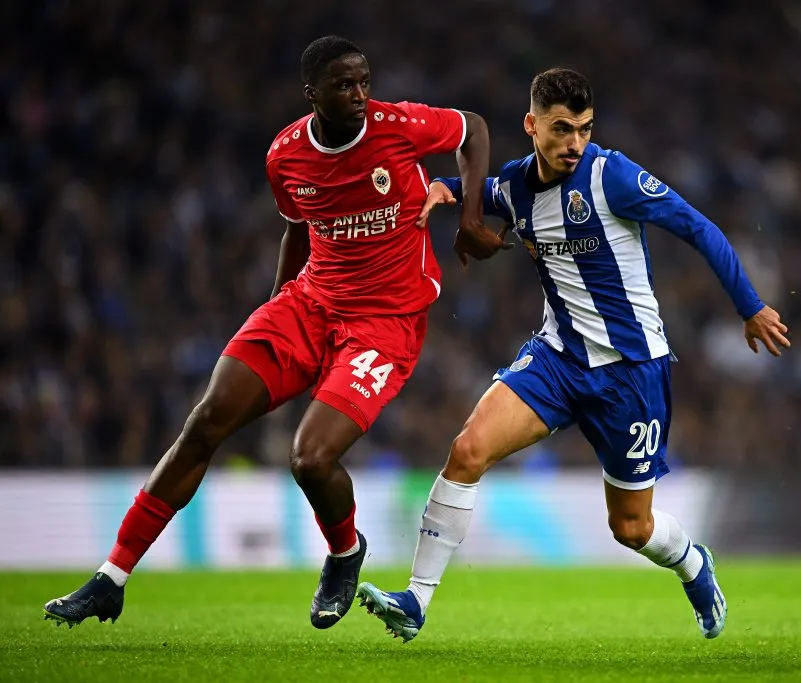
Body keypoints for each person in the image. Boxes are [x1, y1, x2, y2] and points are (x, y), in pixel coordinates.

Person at [43, 36, 508, 630]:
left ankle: (345, 552)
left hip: (384, 323)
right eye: (345, 85)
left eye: (365, 81)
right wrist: (274, 307)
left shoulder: (399, 126)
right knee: (206, 421)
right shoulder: (285, 155)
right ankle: (112, 578)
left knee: (310, 459)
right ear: (312, 94)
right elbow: (297, 230)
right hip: (308, 305)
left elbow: (473, 127)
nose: (361, 95)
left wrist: (470, 216)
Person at [355, 68, 791, 642]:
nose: (575, 143)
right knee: (467, 450)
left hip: (632, 372)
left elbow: (697, 227)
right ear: (532, 125)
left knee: (631, 528)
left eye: (584, 129)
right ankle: (416, 601)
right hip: (558, 360)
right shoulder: (516, 187)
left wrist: (750, 306)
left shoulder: (613, 177)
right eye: (562, 129)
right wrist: (443, 189)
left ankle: (693, 563)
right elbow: (483, 189)